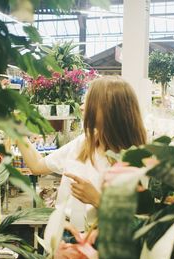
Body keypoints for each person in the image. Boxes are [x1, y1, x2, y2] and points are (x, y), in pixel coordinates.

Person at [17, 76, 147, 222]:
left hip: (94, 240)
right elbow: (37, 166)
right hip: (64, 231)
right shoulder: (84, 143)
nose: (82, 107)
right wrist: (15, 130)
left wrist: (97, 200)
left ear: (109, 110)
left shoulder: (135, 161)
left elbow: (138, 221)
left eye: (89, 102)